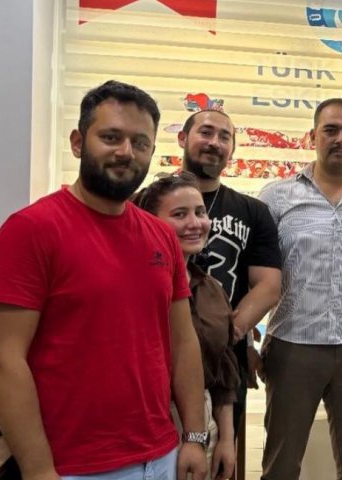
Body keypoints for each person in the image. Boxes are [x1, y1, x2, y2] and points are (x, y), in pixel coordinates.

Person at [0, 80, 207, 479]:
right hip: (72, 467)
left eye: (140, 143)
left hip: (160, 456)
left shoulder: (161, 235)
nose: (126, 152)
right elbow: (5, 360)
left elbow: (182, 342)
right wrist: (39, 470)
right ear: (78, 143)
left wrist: (194, 436)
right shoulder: (31, 230)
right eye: (111, 137)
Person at [258, 98, 342, 480]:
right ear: (312, 136)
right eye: (330, 130)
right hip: (292, 346)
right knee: (280, 467)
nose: (340, 139)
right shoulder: (276, 196)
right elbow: (256, 273)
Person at [177, 108, 282, 455]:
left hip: (225, 360)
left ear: (233, 150)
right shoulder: (147, 202)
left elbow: (268, 285)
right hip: (159, 355)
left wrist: (226, 333)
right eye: (206, 132)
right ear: (182, 138)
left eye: (225, 137)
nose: (215, 143)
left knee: (220, 457)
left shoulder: (253, 211)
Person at [134, 172, 242, 478]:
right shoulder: (134, 288)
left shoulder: (212, 289)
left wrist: (226, 439)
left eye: (200, 212)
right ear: (150, 221)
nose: (195, 223)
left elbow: (223, 371)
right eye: (180, 214)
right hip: (148, 425)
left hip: (203, 426)